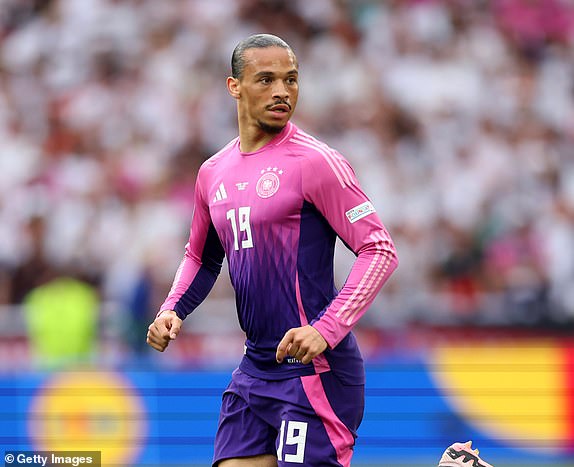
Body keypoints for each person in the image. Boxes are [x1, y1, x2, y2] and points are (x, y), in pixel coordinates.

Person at [146, 33, 399, 467]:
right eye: (266, 80)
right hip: (255, 369)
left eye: (291, 80)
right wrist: (172, 309)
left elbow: (379, 250)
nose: (282, 91)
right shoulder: (212, 173)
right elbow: (201, 258)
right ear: (234, 86)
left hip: (315, 370)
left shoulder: (315, 162)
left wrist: (326, 329)